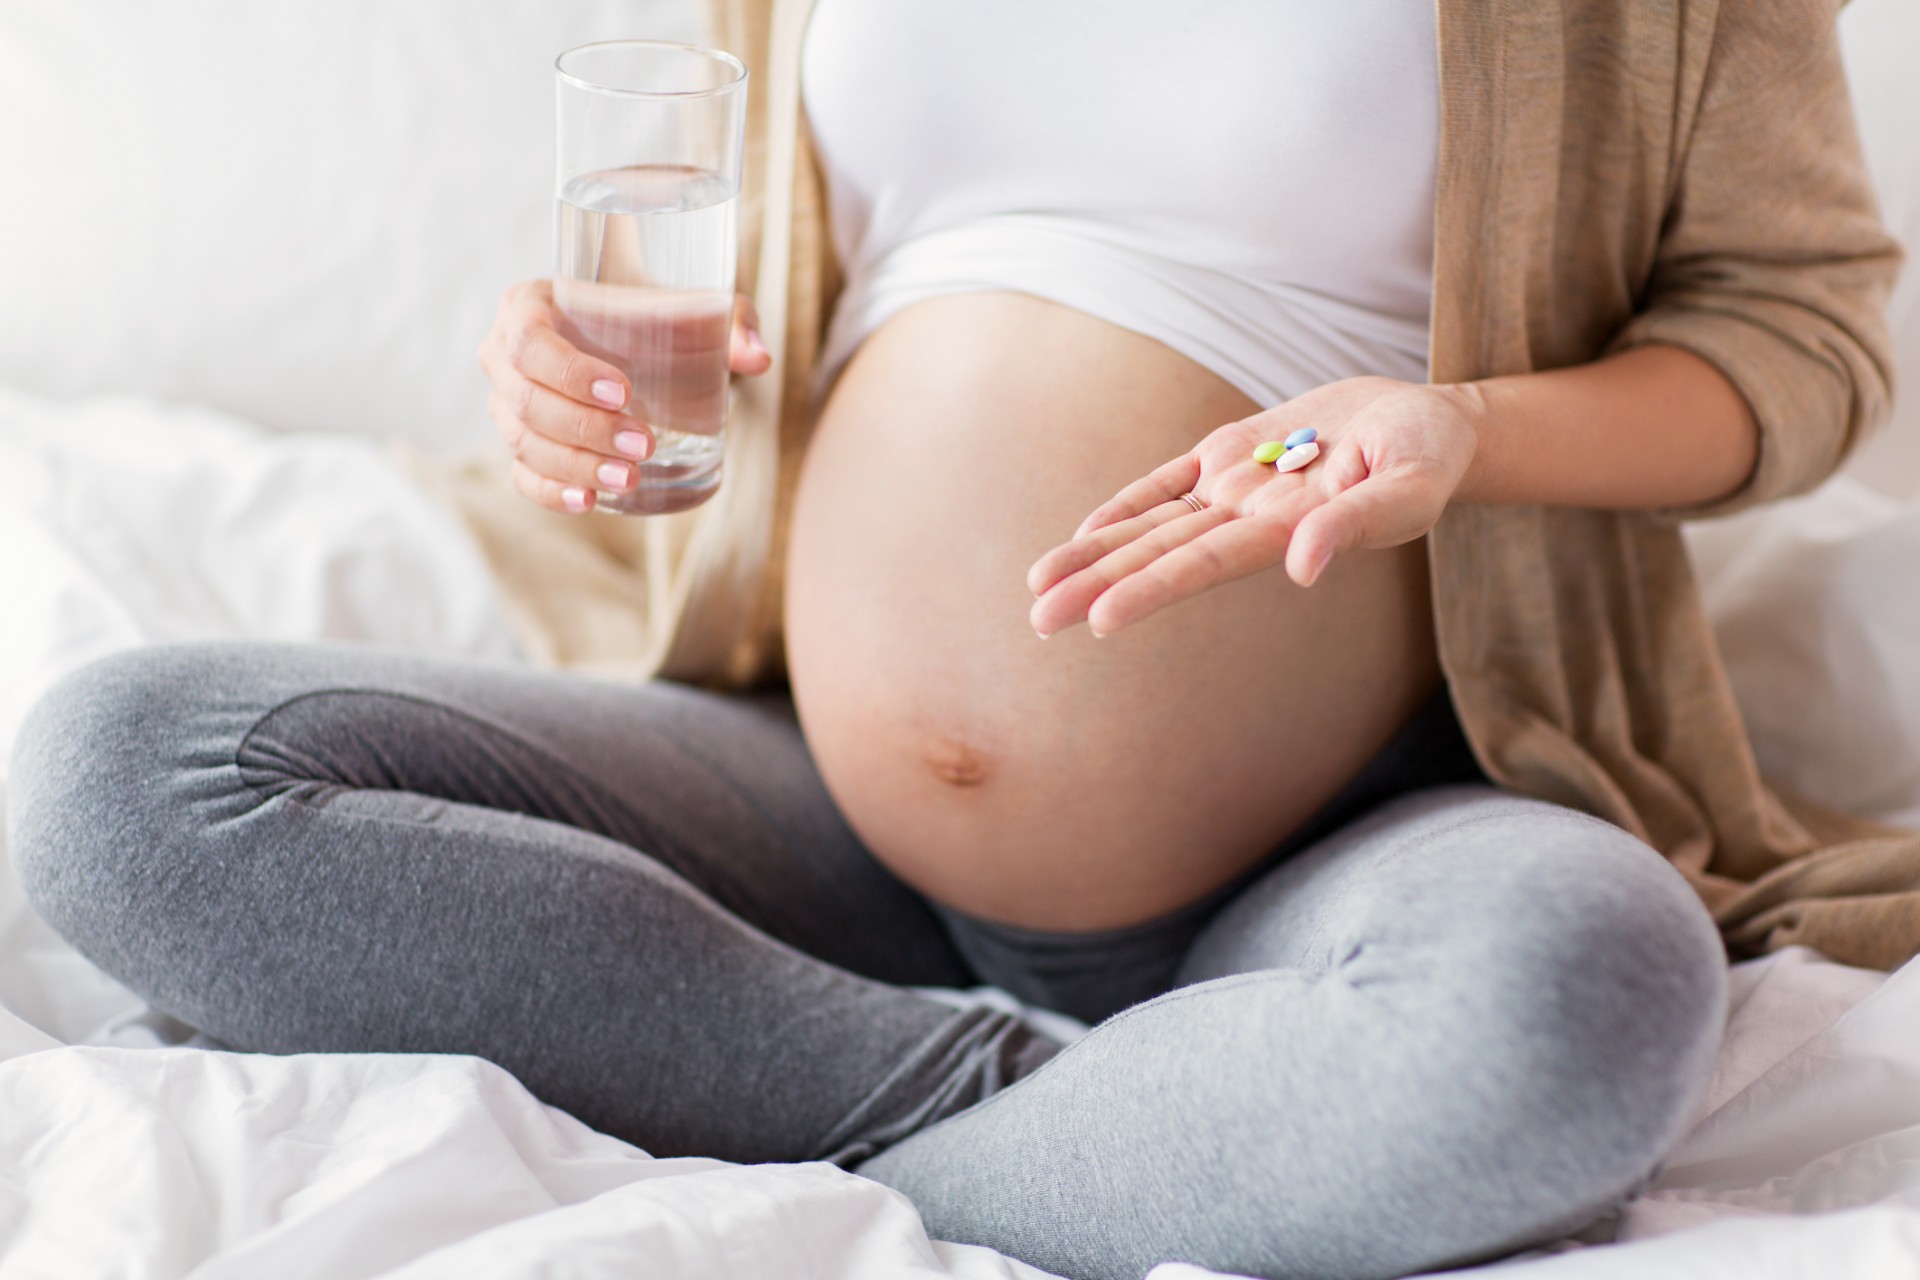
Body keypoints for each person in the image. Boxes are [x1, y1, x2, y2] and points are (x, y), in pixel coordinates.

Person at [9, 3, 1904, 1279]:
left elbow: (1803, 344)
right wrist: (558, 366)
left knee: (1587, 1004)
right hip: (809, 799)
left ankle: (850, 1137)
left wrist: (1469, 432)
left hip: (1350, 824)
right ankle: (1023, 1119)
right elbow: (743, 278)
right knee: (122, 778)